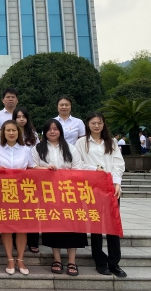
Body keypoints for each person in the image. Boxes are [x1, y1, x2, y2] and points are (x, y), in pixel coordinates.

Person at [32, 119, 92, 276]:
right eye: (49, 129)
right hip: (49, 194)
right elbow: (32, 167)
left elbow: (78, 168)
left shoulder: (71, 148)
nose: (52, 132)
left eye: (55, 129)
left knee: (73, 227)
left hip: (69, 193)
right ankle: (57, 259)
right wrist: (45, 169)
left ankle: (72, 261)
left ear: (60, 131)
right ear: (44, 132)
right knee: (54, 227)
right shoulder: (38, 148)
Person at [76, 112, 127, 278]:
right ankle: (99, 261)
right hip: (92, 188)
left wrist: (117, 183)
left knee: (113, 226)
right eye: (93, 123)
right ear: (88, 124)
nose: (96, 126)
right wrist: (94, 170)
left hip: (111, 188)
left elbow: (118, 163)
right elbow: (78, 164)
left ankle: (114, 263)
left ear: (103, 124)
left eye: (99, 123)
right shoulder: (81, 143)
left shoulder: (111, 142)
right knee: (96, 226)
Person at [0, 120, 33, 275]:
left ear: (18, 132)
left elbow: (31, 169)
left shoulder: (26, 150)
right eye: (7, 130)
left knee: (22, 228)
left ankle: (20, 259)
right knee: (6, 227)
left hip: (22, 193)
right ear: (3, 133)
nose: (11, 133)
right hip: (4, 193)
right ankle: (9, 258)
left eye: (14, 130)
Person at [12, 107, 40, 253]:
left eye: (24, 117)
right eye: (18, 117)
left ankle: (33, 241)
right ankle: (16, 241)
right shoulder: (10, 133)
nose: (21, 119)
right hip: (13, 180)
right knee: (15, 210)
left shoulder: (33, 135)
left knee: (31, 210)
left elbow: (37, 153)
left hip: (30, 177)